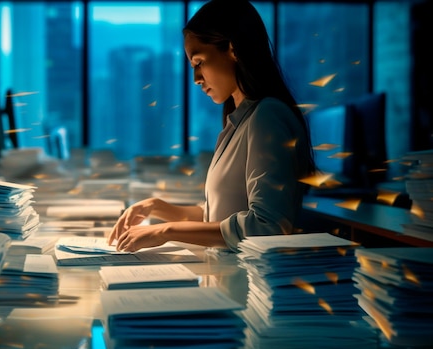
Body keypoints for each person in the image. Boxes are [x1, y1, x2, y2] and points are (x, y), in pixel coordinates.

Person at [108, 0, 316, 253]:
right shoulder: (241, 120)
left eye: (199, 63)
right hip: (228, 279)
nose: (196, 79)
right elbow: (221, 214)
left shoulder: (268, 115)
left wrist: (165, 230)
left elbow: (267, 225)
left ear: (232, 49)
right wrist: (157, 207)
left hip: (249, 287)